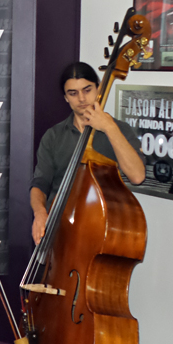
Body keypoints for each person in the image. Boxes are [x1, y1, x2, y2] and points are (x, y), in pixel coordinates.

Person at [30, 61, 145, 245]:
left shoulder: (119, 130)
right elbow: (40, 184)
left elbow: (137, 176)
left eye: (87, 89)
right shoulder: (54, 136)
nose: (81, 99)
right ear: (66, 97)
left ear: (98, 88)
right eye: (73, 93)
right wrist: (40, 212)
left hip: (103, 233)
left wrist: (109, 127)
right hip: (59, 232)